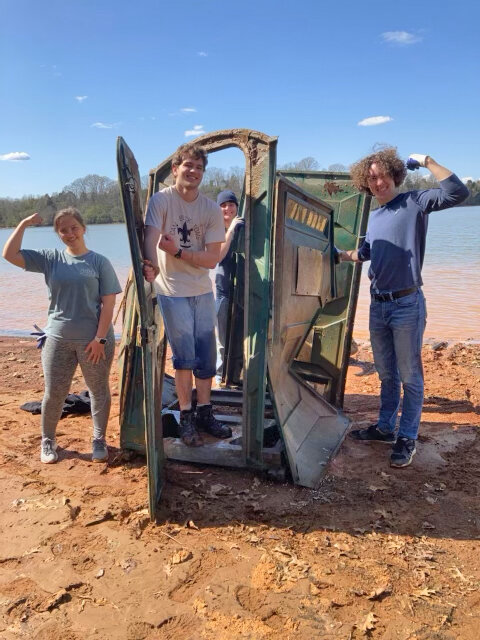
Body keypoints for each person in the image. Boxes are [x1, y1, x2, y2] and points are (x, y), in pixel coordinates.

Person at [337, 148, 469, 468]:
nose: (378, 182)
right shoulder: (375, 215)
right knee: (386, 373)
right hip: (378, 304)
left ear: (395, 176)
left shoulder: (415, 202)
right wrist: (340, 255)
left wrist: (427, 162)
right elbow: (367, 253)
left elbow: (458, 192)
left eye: (383, 175)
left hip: (407, 303)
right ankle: (385, 427)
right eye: (371, 178)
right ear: (365, 183)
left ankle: (406, 436)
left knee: (410, 376)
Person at [2, 207, 122, 464]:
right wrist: (23, 222)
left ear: (83, 228)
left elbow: (108, 304)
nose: (69, 233)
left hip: (95, 342)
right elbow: (9, 254)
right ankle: (48, 440)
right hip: (57, 339)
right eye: (63, 230)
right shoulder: (50, 259)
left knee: (98, 390)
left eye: (73, 228)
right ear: (58, 234)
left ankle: (99, 440)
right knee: (54, 392)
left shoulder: (99, 261)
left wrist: (100, 339)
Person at [143, 143, 232, 447]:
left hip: (202, 290)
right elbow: (151, 237)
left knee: (206, 357)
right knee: (184, 358)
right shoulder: (161, 201)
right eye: (188, 165)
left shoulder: (209, 208)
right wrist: (150, 264)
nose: (193, 172)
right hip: (172, 291)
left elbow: (211, 260)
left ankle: (205, 411)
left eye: (199, 168)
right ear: (175, 169)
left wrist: (178, 251)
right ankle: (187, 416)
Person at [214, 189, 244, 385]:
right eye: (223, 205)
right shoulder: (215, 229)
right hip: (223, 292)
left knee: (241, 336)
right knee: (222, 339)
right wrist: (231, 230)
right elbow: (219, 255)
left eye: (231, 204)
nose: (227, 208)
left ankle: (235, 376)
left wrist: (236, 228)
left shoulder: (243, 227)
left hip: (242, 291)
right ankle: (220, 376)